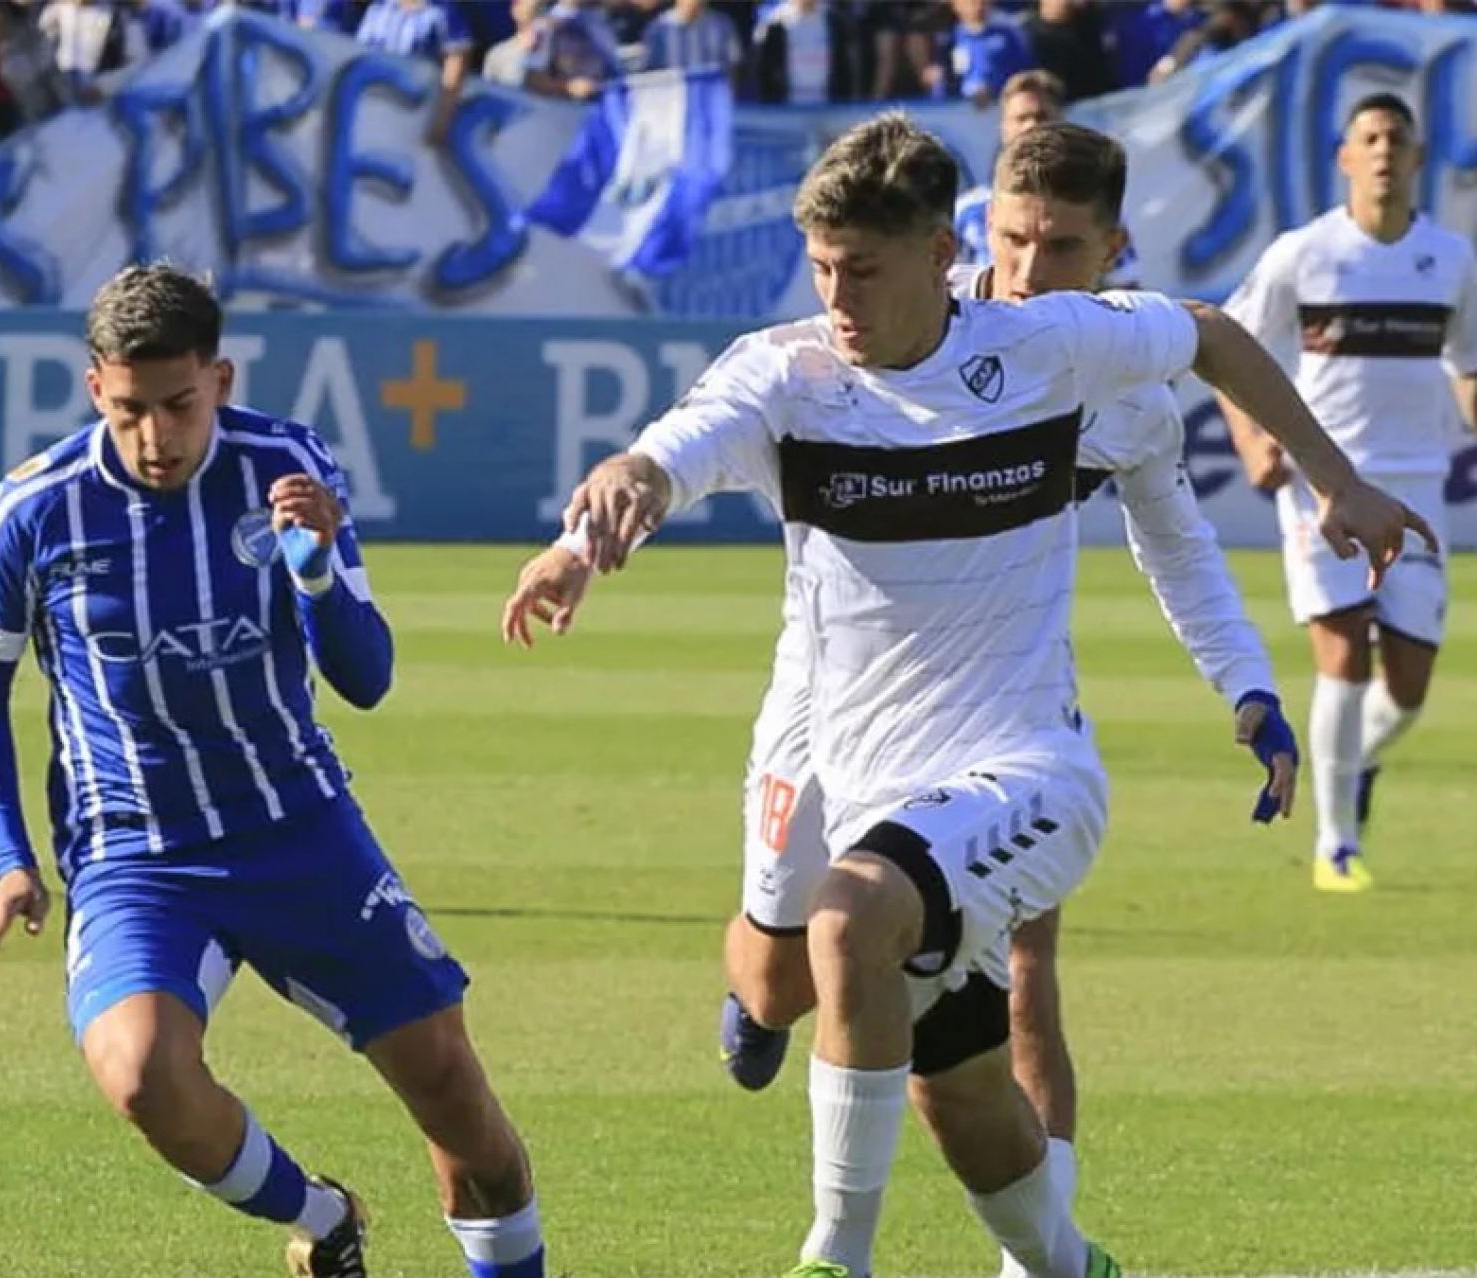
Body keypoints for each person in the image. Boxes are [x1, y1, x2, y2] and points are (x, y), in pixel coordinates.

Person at [502, 114, 1431, 1278]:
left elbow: (1205, 338)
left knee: (856, 922)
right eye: (822, 268)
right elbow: (668, 453)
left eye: (863, 270)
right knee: (925, 1065)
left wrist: (1328, 502)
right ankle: (1065, 1262)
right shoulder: (786, 372)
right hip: (841, 748)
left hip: (1023, 767)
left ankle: (831, 1257)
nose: (836, 297)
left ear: (939, 256)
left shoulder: (1049, 350)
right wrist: (584, 534)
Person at [701, 121, 1354, 1278]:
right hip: (828, 701)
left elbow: (1179, 547)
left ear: (1111, 249)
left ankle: (990, 1257)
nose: (1025, 270)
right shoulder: (884, 340)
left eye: (1058, 247)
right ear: (971, 237)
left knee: (1004, 970)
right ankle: (1044, 1244)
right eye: (1009, 239)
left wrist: (1247, 686)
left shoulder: (1105, 374)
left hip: (998, 726)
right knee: (790, 978)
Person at [0, 264, 546, 1278]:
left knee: (452, 1094)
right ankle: (321, 1214)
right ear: (95, 387)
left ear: (218, 380)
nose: (156, 435)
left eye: (178, 405)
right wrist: (8, 859)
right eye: (130, 409)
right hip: (136, 854)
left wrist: (313, 571)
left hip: (296, 829)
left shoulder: (285, 467)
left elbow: (365, 676)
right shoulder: (33, 511)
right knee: (139, 1074)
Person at [1221, 91, 1477, 893]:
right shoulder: (1305, 253)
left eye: (1395, 139)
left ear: (1416, 158)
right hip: (1321, 480)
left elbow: (1467, 366)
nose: (1382, 152)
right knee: (1343, 653)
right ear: (1344, 157)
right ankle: (1337, 846)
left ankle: (1351, 763)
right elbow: (1226, 346)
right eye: (1367, 138)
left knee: (1405, 689)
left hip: (1416, 484)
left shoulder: (1453, 260)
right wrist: (1254, 438)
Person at [954, 70, 1139, 287]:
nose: (1031, 126)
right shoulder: (966, 211)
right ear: (1003, 127)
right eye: (1021, 118)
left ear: (1060, 121)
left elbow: (1128, 289)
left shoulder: (1089, 209)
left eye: (1041, 116)